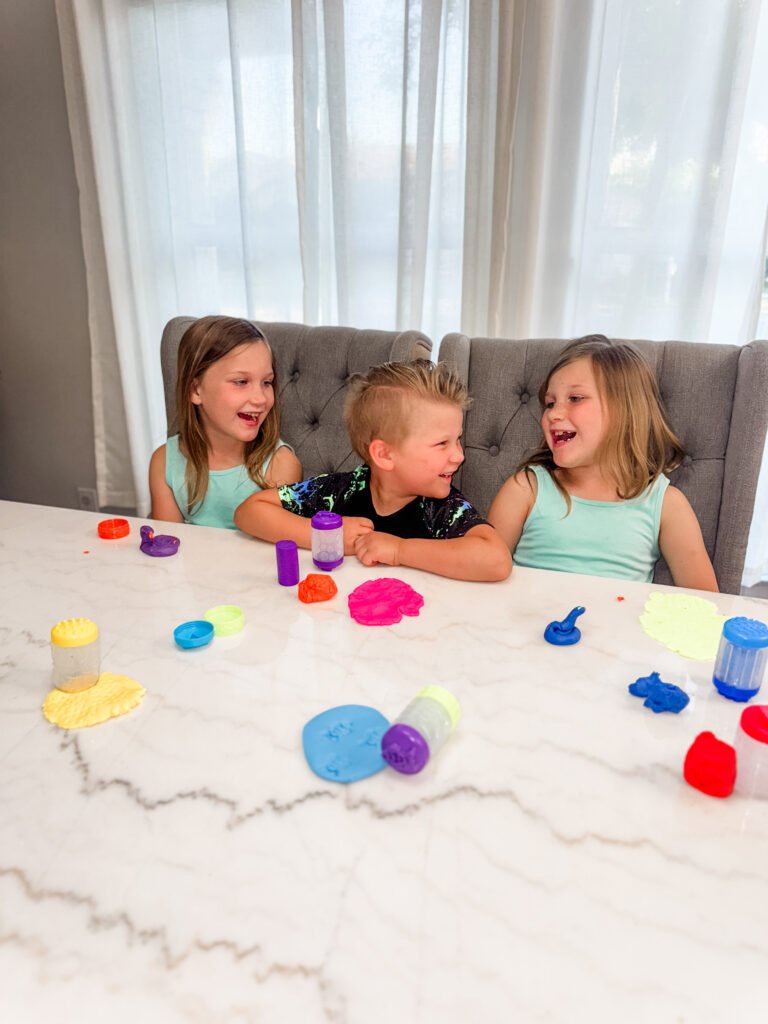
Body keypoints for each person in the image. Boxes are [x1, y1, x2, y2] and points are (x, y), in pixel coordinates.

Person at [234, 360, 512, 582]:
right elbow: (250, 511)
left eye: (457, 440)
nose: (459, 455)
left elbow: (496, 560)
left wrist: (400, 550)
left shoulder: (441, 507)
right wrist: (326, 536)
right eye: (442, 444)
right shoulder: (340, 491)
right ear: (384, 454)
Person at [487, 335, 718, 591]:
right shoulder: (526, 489)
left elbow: (706, 604)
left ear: (625, 412)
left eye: (575, 398)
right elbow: (483, 576)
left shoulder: (665, 504)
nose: (553, 413)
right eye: (550, 403)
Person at [149, 315, 301, 529]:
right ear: (195, 390)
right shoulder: (164, 463)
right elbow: (168, 546)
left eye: (267, 382)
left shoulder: (280, 466)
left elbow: (279, 548)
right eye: (241, 382)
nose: (260, 399)